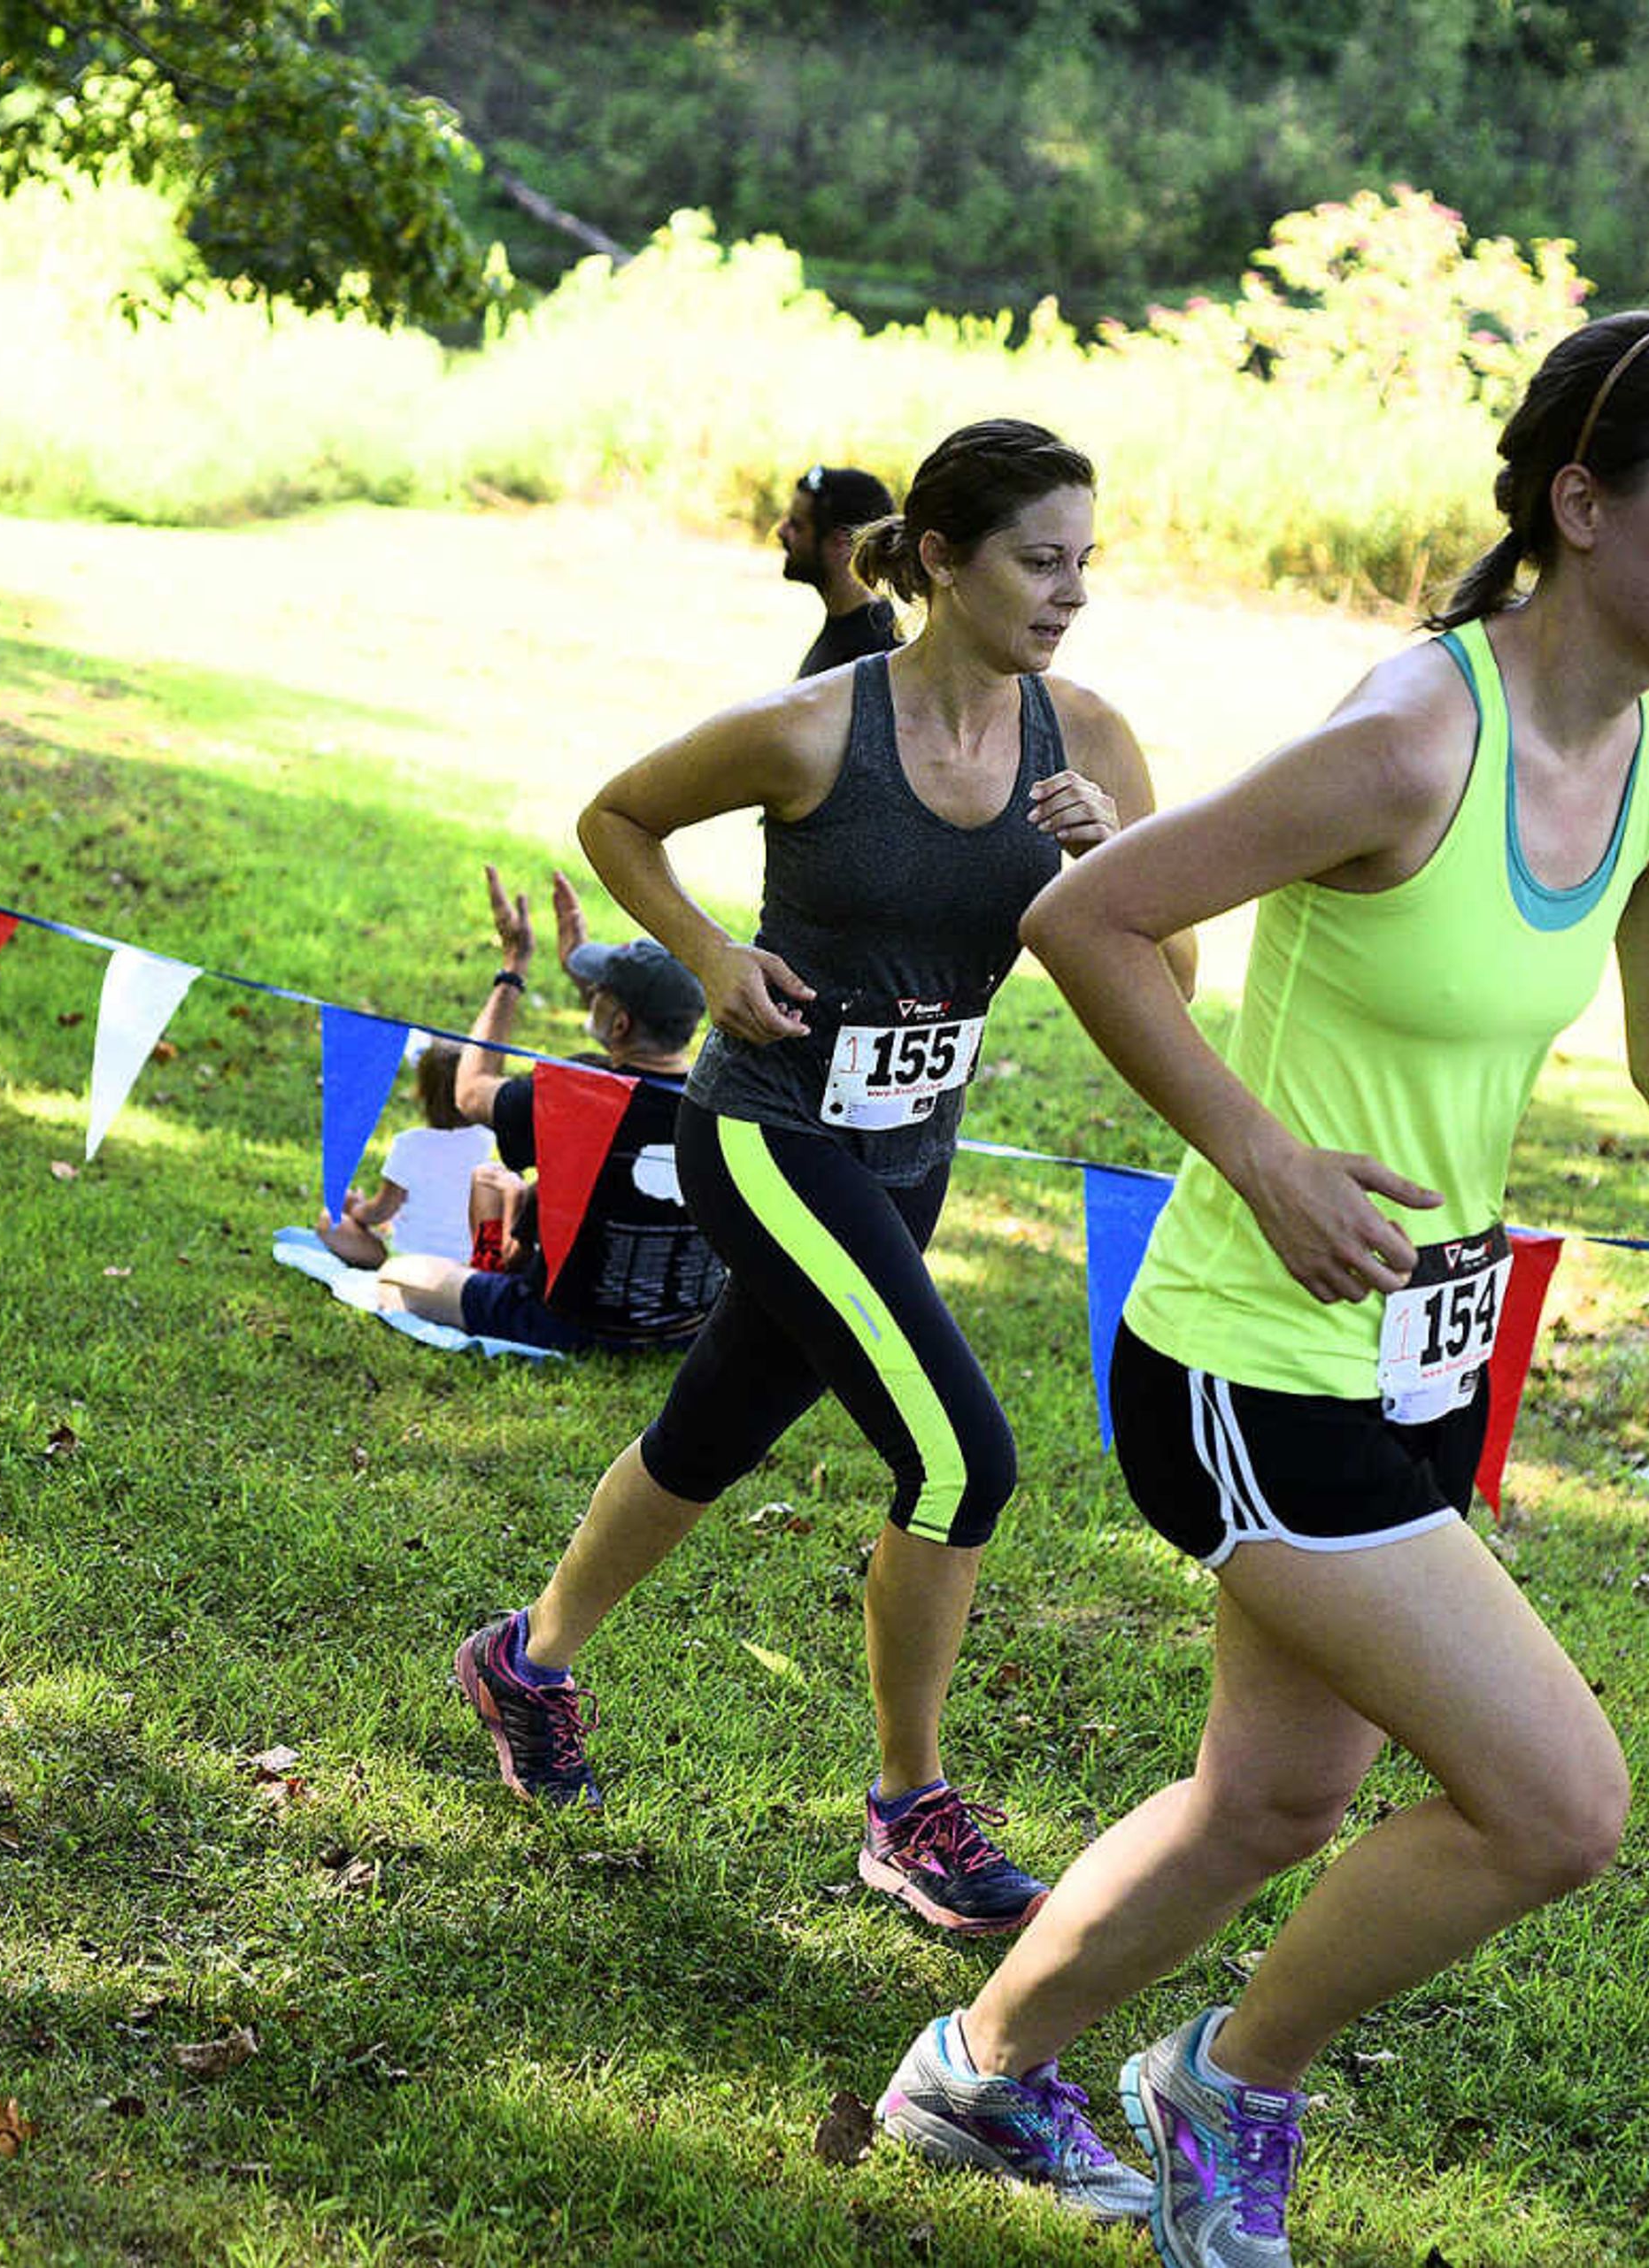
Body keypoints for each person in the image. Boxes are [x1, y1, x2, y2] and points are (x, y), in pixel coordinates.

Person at [873, 316, 1649, 2262]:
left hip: (1416, 1356)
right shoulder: (1406, 735)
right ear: (1583, 505)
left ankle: (977, 2070)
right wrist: (1262, 1159)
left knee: (1269, 1798)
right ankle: (1227, 2084)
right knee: (1557, 1803)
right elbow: (1087, 914)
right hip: (1250, 1365)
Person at [451, 419, 1189, 1941]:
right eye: (1037, 561)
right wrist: (713, 956)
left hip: (906, 1160)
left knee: (709, 1430)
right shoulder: (814, 728)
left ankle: (525, 1656)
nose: (1070, 593)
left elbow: (1173, 969)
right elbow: (617, 816)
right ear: (937, 559)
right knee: (963, 1459)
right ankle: (909, 1809)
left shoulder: (1090, 740)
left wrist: (1108, 859)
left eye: (1084, 562)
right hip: (769, 1136)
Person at [377, 869, 726, 1353]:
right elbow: (627, 1038)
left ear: (620, 1023)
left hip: (568, 1323)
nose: (591, 995)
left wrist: (513, 967)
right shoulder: (727, 1101)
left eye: (598, 992)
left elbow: (471, 1091)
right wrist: (585, 975)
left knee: (399, 1276)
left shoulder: (580, 1096)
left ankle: (483, 1269)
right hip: (682, 1327)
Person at [317, 1042, 498, 1267]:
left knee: (329, 1221)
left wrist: (355, 1207)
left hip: (409, 1261)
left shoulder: (409, 1145)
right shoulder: (489, 1142)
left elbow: (381, 1211)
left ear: (421, 1092)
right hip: (470, 1261)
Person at [781, 463, 903, 680]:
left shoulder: (874, 654)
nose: (781, 531)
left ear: (840, 542)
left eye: (796, 526)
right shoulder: (848, 629)